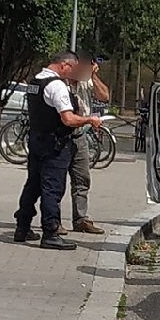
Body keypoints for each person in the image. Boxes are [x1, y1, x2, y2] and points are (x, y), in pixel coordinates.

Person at [13, 51, 103, 251]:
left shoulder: (36, 81)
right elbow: (68, 119)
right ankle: (51, 232)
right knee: (52, 188)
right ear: (65, 65)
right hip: (55, 143)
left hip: (36, 139)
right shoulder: (56, 86)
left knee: (33, 185)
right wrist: (90, 120)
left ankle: (22, 226)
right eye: (73, 68)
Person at [63, 56, 111, 236]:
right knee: (56, 181)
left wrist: (93, 76)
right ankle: (52, 221)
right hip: (62, 136)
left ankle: (81, 219)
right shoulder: (61, 84)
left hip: (80, 136)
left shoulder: (85, 83)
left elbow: (104, 96)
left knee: (82, 179)